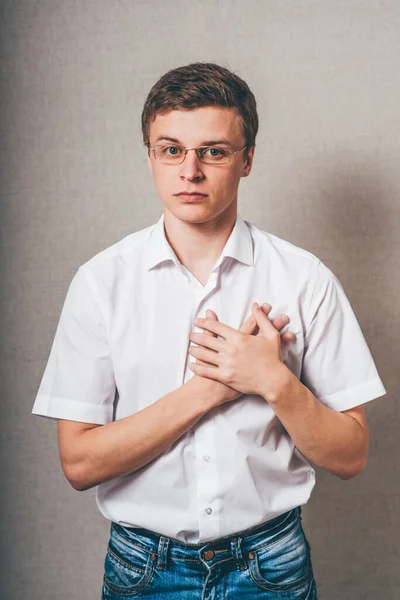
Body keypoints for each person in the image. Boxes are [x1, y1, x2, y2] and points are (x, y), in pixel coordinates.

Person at [32, 62, 386, 599]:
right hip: (143, 570)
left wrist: (274, 381)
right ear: (150, 156)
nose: (189, 171)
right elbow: (79, 463)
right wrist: (211, 389)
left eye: (213, 151)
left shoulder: (305, 279)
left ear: (246, 160)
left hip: (271, 567)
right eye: (171, 149)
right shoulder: (100, 283)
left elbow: (350, 455)